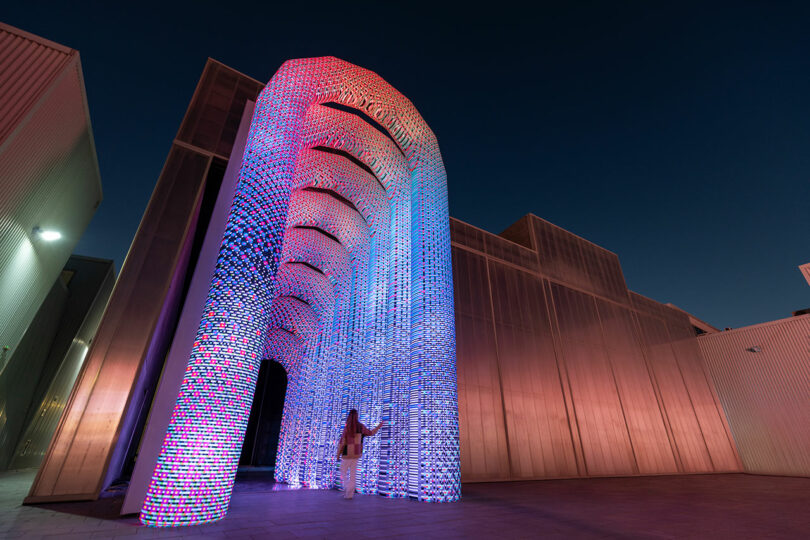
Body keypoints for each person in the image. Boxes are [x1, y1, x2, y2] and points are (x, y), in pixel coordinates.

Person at [336, 409, 383, 499]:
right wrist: (378, 427)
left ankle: (348, 486)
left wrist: (338, 454)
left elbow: (342, 442)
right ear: (357, 416)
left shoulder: (347, 428)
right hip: (356, 454)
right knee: (353, 474)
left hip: (347, 454)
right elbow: (370, 433)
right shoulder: (361, 427)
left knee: (343, 471)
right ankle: (349, 495)